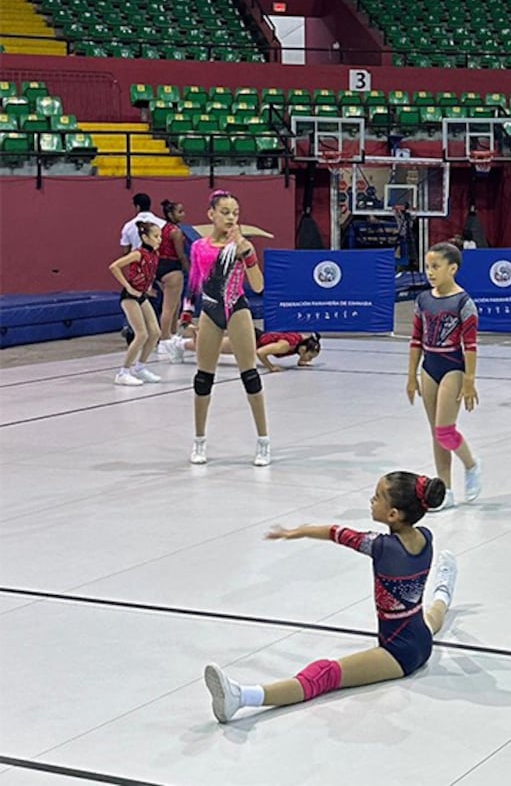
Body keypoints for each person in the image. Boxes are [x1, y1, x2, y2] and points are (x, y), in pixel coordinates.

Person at [202, 470, 459, 723]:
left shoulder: (383, 548)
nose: (372, 500)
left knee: (326, 675)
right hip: (420, 636)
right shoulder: (426, 536)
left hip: (398, 654)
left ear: (393, 514)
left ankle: (242, 697)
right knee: (432, 615)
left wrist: (299, 531)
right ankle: (444, 587)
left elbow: (337, 533)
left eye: (378, 497)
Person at [187, 190, 270, 467]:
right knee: (203, 379)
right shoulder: (199, 246)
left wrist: (247, 254)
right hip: (209, 310)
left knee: (250, 375)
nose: (231, 217)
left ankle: (263, 441)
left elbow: (258, 286)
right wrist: (187, 313)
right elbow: (195, 281)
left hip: (236, 308)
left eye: (235, 213)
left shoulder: (242, 246)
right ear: (211, 214)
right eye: (225, 212)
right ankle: (199, 441)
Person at [407, 242, 482, 508]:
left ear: (453, 268)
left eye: (436, 266)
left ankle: (471, 465)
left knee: (444, 431)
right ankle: (445, 490)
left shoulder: (464, 303)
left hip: (453, 367)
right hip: (429, 366)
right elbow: (416, 339)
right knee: (435, 432)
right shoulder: (423, 300)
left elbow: (470, 345)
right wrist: (411, 375)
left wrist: (470, 380)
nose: (430, 272)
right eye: (427, 266)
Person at [107, 221, 163, 387]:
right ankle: (123, 372)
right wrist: (128, 286)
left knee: (155, 332)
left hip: (142, 295)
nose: (159, 240)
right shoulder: (138, 253)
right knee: (141, 334)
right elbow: (114, 266)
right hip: (129, 297)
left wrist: (148, 287)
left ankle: (140, 367)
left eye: (160, 236)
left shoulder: (155, 254)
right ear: (145, 237)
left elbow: (147, 273)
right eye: (155, 236)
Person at [172, 329, 321, 371]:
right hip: (250, 340)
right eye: (309, 356)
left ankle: (179, 343)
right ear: (303, 349)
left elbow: (308, 342)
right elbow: (260, 353)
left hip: (255, 337)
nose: (309, 359)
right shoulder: (285, 345)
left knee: (214, 346)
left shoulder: (302, 342)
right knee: (213, 346)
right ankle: (177, 343)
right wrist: (271, 367)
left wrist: (302, 361)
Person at [155, 199, 191, 349]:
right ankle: (164, 339)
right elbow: (181, 254)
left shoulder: (163, 228)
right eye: (180, 212)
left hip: (160, 267)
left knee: (174, 305)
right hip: (172, 268)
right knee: (169, 307)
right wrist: (190, 270)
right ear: (170, 214)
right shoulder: (176, 232)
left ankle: (172, 335)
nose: (183, 214)